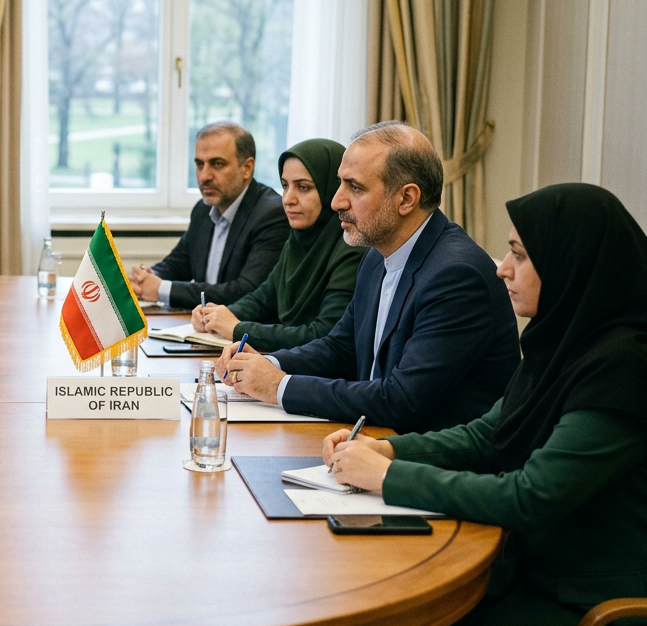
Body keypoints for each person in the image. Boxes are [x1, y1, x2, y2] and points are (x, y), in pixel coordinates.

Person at [325, 183, 647, 626]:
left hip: (593, 607)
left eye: (519, 253)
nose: (501, 268)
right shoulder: (562, 341)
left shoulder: (624, 367)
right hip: (536, 573)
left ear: (570, 262)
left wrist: (390, 478)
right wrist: (390, 451)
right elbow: (487, 432)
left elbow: (530, 496)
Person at [221, 121, 520, 433]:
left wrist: (280, 387)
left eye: (356, 187)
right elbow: (340, 347)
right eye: (340, 184)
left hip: (434, 463)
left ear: (406, 199)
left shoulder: (456, 276)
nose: (337, 201)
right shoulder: (378, 255)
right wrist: (270, 364)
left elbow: (401, 400)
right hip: (373, 441)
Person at [191, 138, 365, 352]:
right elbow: (263, 298)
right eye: (285, 185)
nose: (288, 199)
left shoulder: (352, 248)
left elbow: (323, 334)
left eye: (303, 187)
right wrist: (215, 316)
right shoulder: (298, 240)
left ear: (332, 189)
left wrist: (237, 328)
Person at [128, 121, 288, 308]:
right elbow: (178, 263)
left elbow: (246, 291)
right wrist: (149, 276)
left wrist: (160, 289)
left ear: (247, 168)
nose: (204, 176)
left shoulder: (272, 214)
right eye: (199, 164)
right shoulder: (203, 210)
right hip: (200, 326)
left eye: (217, 164)